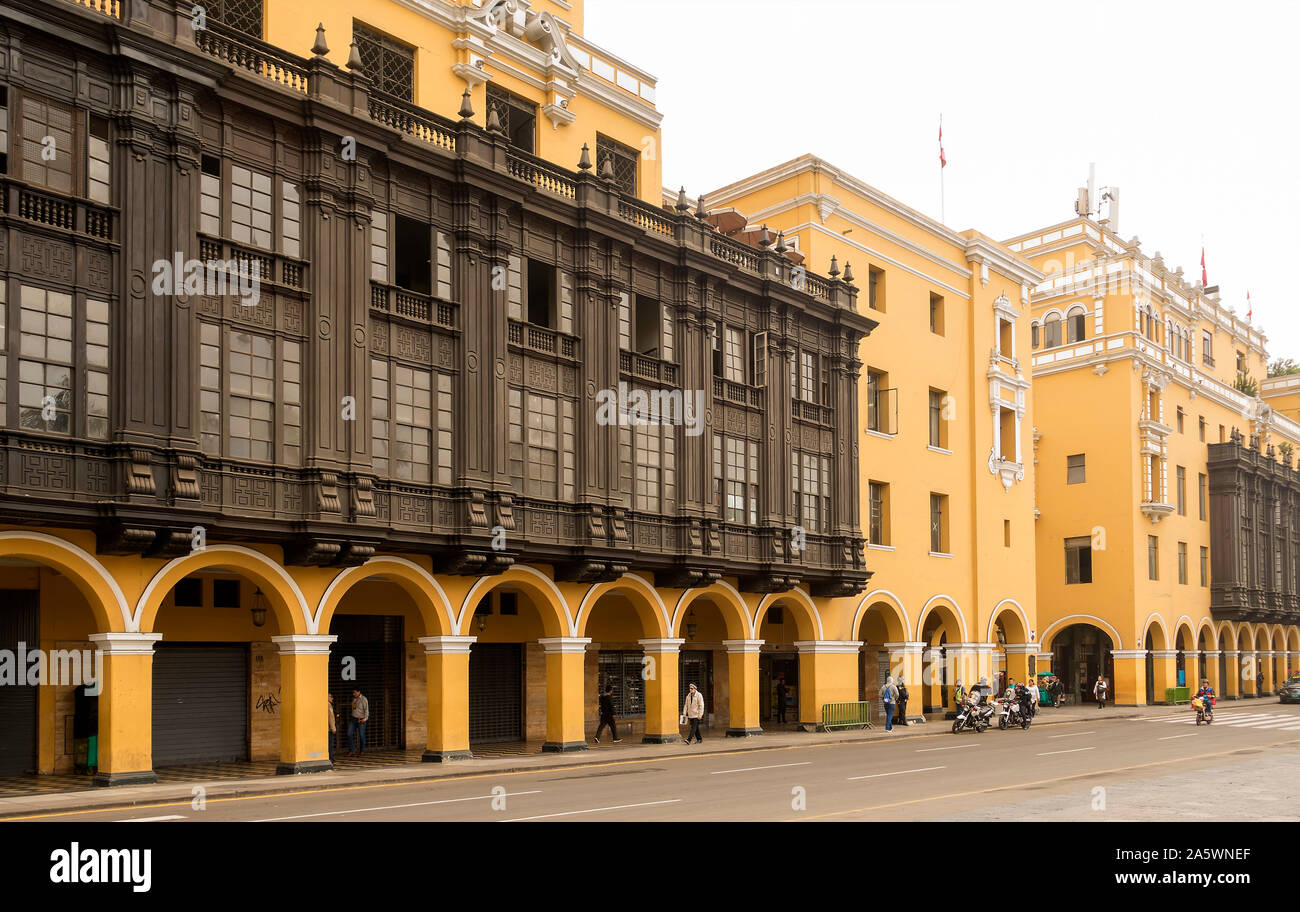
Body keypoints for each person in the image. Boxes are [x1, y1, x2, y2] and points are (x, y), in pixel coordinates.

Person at [349, 688, 369, 756]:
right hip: (353, 719)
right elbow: (354, 708)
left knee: (361, 735)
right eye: (353, 693)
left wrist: (364, 719)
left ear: (359, 692)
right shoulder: (354, 699)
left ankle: (362, 751)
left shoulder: (364, 699)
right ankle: (352, 750)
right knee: (349, 734)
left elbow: (366, 710)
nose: (353, 694)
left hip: (361, 719)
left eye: (354, 692)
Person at [327, 693, 338, 763]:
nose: (332, 698)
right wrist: (333, 728)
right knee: (330, 744)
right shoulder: (328, 705)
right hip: (329, 729)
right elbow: (331, 717)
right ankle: (330, 758)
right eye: (331, 696)